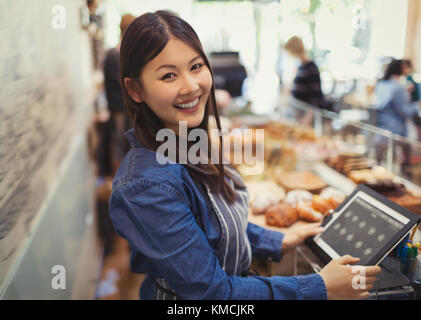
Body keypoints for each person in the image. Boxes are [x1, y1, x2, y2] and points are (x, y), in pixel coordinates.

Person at [109, 10, 380, 300]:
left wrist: (277, 240)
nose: (191, 86)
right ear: (135, 89)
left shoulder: (186, 142)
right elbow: (213, 293)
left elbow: (210, 227)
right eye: (168, 75)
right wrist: (320, 288)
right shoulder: (145, 186)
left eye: (196, 66)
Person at [103, 13, 136, 174]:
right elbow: (122, 82)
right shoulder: (115, 54)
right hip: (118, 108)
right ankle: (118, 178)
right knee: (118, 143)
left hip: (122, 107)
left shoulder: (118, 53)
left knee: (123, 143)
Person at [284, 36, 328, 110]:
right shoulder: (300, 67)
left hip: (308, 116)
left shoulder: (311, 67)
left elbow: (315, 98)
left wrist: (306, 120)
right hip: (299, 113)